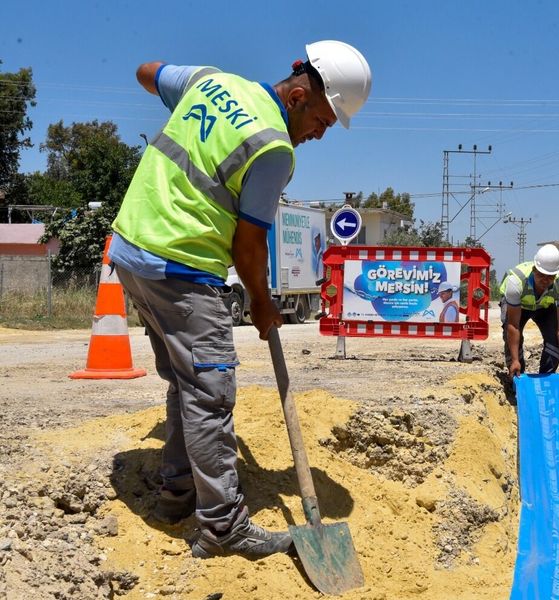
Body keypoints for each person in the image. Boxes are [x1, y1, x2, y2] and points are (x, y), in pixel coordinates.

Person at [107, 40, 372, 559]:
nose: (320, 134)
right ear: (297, 97)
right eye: (322, 120)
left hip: (132, 254)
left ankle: (178, 493)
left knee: (187, 382)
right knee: (210, 395)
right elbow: (248, 246)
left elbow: (146, 71)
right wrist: (262, 303)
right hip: (183, 267)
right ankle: (224, 526)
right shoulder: (273, 148)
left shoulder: (211, 81)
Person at [498, 244, 559, 379]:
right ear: (534, 269)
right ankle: (517, 375)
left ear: (556, 274)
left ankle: (546, 377)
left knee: (554, 337)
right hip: (517, 305)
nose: (545, 280)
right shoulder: (517, 282)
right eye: (541, 275)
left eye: (550, 277)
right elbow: (513, 325)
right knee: (512, 338)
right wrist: (515, 360)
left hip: (543, 307)